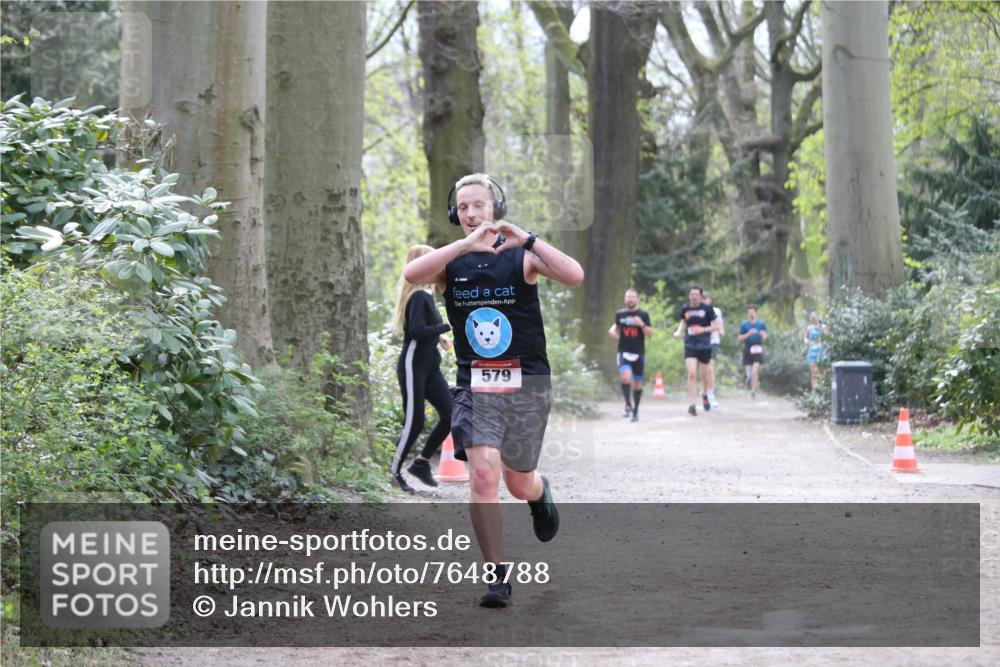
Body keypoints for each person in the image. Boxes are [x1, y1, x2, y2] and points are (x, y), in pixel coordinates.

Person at [403, 173, 584, 608]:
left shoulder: (521, 256)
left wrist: (530, 240)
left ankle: (541, 494)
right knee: (483, 475)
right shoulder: (451, 261)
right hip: (476, 383)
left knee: (518, 483)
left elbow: (574, 275)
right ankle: (497, 577)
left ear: (494, 208)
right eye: (463, 207)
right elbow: (412, 274)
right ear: (455, 214)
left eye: (478, 205)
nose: (470, 214)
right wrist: (465, 245)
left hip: (528, 382)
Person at [389, 244, 454, 493]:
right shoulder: (417, 296)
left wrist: (439, 338)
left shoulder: (426, 295)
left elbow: (425, 327)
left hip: (430, 367)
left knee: (450, 413)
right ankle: (394, 471)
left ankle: (422, 463)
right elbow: (416, 331)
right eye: (433, 261)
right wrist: (446, 328)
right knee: (414, 422)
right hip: (413, 365)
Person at [673, 285, 719, 416]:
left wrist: (703, 330)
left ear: (700, 296)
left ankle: (704, 395)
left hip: (704, 345)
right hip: (690, 344)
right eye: (691, 294)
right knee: (692, 374)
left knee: (704, 376)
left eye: (696, 294)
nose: (694, 296)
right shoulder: (685, 308)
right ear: (689, 295)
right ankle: (692, 404)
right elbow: (683, 322)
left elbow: (716, 326)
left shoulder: (707, 309)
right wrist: (678, 331)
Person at [608, 288, 653, 422]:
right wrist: (617, 337)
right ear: (625, 299)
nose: (630, 299)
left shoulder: (643, 314)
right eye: (628, 297)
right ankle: (628, 404)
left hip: (639, 353)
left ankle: (636, 410)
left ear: (637, 299)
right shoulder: (620, 314)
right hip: (623, 352)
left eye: (633, 297)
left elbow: (650, 334)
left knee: (638, 384)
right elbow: (614, 330)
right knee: (626, 378)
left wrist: (642, 324)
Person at [738, 305, 768, 399]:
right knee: (749, 374)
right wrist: (748, 334)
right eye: (749, 312)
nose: (751, 313)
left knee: (755, 371)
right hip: (747, 349)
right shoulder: (744, 324)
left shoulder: (761, 323)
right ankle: (749, 380)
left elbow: (765, 336)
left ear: (756, 312)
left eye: (752, 311)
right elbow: (739, 337)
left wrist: (760, 333)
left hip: (757, 348)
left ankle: (753, 391)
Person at [703, 293, 724, 409]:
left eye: (706, 298)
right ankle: (705, 391)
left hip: (713, 342)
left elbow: (720, 323)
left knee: (710, 368)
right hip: (700, 343)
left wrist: (721, 331)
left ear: (710, 300)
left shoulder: (716, 311)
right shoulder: (698, 311)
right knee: (704, 371)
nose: (705, 301)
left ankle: (711, 394)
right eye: (703, 299)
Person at [805, 311, 828, 392]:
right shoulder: (809, 328)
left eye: (815, 318)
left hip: (822, 351)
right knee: (814, 373)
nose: (814, 320)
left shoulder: (823, 327)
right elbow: (805, 338)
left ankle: (823, 392)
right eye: (812, 318)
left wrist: (823, 341)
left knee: (822, 373)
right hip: (812, 351)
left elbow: (827, 338)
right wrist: (807, 341)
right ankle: (814, 392)